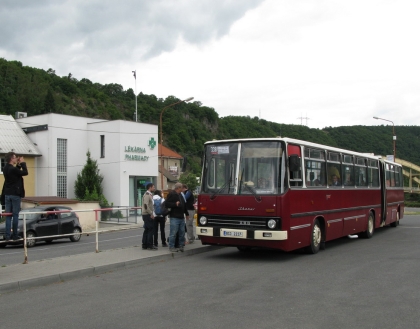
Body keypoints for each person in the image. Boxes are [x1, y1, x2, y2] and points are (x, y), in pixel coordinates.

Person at [2, 152, 28, 241]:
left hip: (7, 194)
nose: (16, 158)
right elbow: (25, 172)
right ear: (11, 158)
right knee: (15, 215)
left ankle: (8, 236)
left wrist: (17, 164)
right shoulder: (13, 169)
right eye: (15, 157)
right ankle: (15, 235)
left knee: (8, 215)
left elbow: (16, 172)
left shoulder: (5, 168)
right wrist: (23, 163)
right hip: (15, 194)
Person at [165, 182, 189, 252]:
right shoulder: (172, 194)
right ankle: (171, 246)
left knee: (182, 232)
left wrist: (186, 214)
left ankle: (181, 245)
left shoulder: (180, 195)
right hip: (174, 216)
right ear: (178, 188)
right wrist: (175, 204)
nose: (182, 188)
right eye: (181, 187)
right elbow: (167, 204)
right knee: (173, 233)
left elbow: (184, 205)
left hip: (181, 217)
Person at [141, 183, 157, 250]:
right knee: (150, 229)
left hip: (146, 214)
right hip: (147, 214)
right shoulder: (147, 195)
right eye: (153, 187)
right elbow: (146, 205)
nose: (154, 188)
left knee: (147, 229)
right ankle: (150, 244)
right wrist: (151, 213)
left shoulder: (149, 195)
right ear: (150, 187)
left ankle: (145, 244)